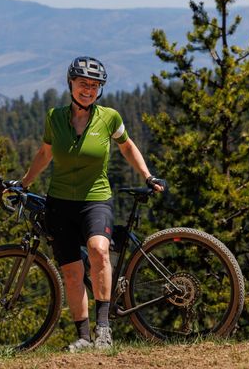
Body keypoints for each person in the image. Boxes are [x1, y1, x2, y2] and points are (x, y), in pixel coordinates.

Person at [19, 56, 165, 352]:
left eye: (95, 85)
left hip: (96, 200)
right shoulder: (54, 117)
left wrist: (148, 176)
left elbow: (127, 146)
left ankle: (103, 330)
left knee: (99, 251)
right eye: (83, 83)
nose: (89, 90)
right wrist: (23, 183)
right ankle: (84, 337)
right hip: (59, 202)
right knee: (72, 273)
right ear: (70, 83)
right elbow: (45, 153)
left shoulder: (109, 117)